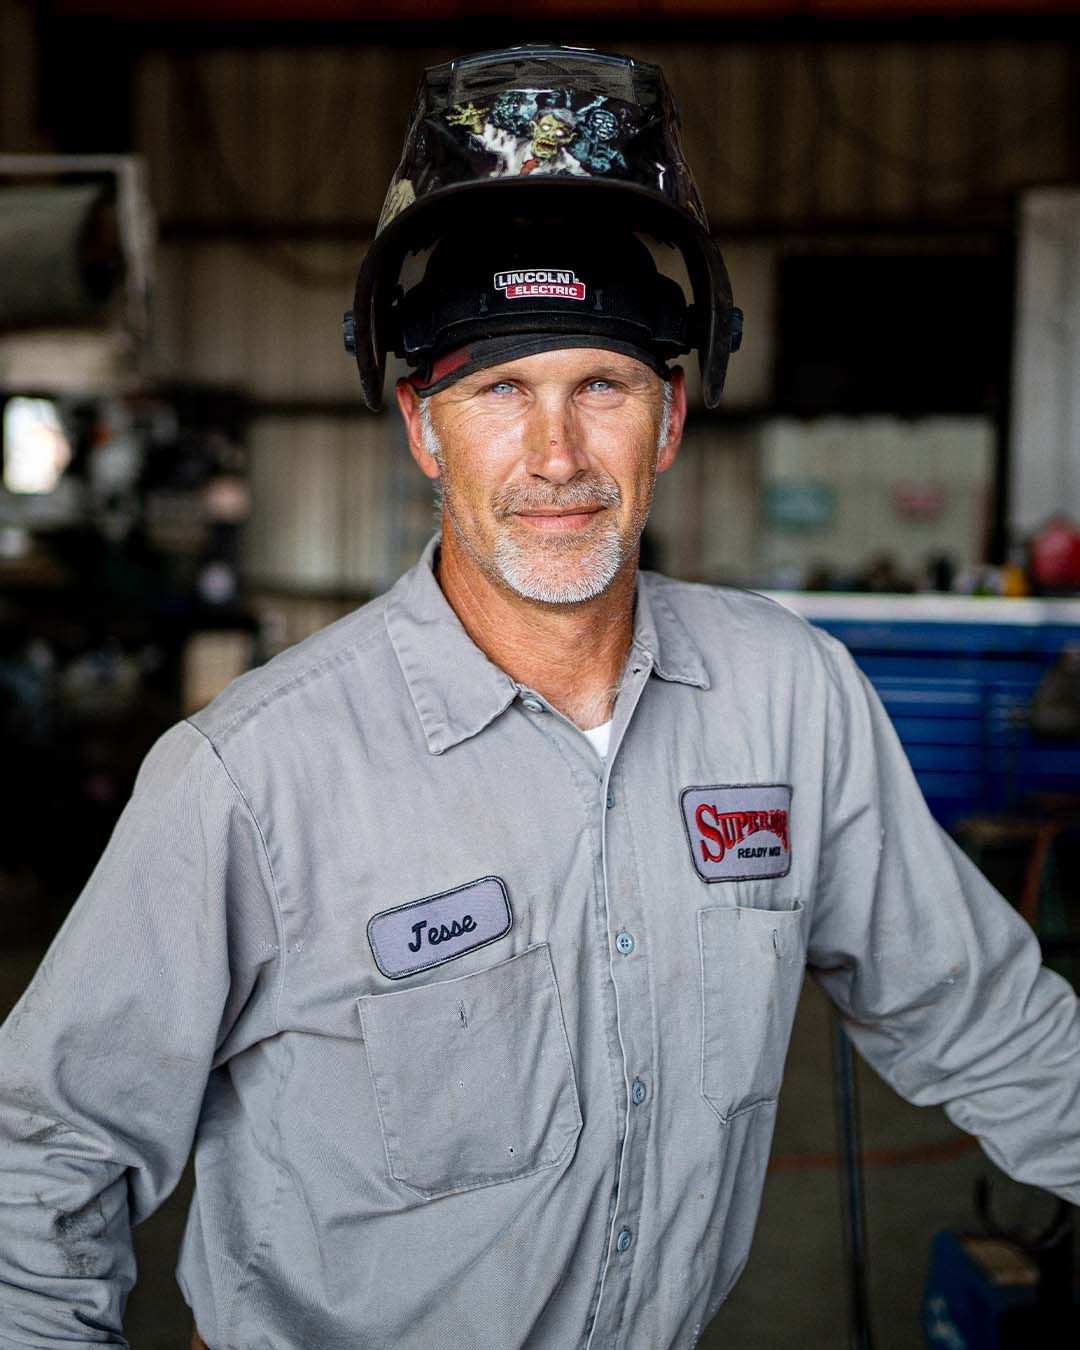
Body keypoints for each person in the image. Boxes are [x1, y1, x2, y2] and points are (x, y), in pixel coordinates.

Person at [1, 45, 1078, 1350]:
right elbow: (42, 1165)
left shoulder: (789, 700)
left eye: (602, 387)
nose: (557, 455)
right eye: (501, 390)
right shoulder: (251, 777)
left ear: (670, 420)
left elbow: (986, 1018)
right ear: (421, 426)